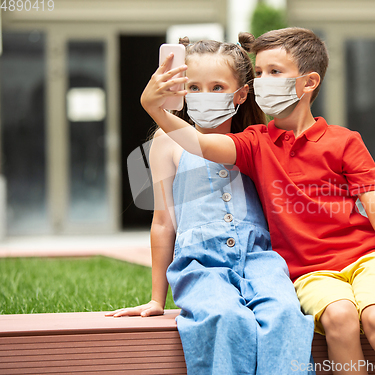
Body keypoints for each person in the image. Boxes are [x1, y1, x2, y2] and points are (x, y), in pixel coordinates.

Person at [140, 27, 375, 374]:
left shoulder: (320, 141)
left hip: (319, 260)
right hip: (263, 268)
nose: (264, 81)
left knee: (332, 316)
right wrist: (155, 107)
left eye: (273, 73)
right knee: (241, 316)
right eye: (259, 72)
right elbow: (194, 161)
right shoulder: (254, 143)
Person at [107, 35, 315, 375]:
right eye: (194, 87)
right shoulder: (166, 141)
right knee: (224, 316)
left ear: (241, 93)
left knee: (285, 314)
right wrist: (157, 300)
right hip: (199, 264)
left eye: (217, 87)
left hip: (260, 259)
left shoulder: (257, 139)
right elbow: (163, 221)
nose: (204, 96)